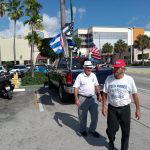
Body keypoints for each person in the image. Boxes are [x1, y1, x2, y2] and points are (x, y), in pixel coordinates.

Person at [102, 59, 141, 150]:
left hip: (125, 109)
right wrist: (104, 106)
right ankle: (111, 140)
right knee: (111, 130)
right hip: (112, 109)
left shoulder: (129, 79)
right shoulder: (109, 79)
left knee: (125, 132)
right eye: (114, 68)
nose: (115, 70)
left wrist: (138, 109)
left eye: (117, 68)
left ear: (123, 69)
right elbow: (104, 93)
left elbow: (135, 94)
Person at [73, 60, 102, 137]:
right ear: (84, 68)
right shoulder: (80, 76)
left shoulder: (93, 75)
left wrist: (99, 94)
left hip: (93, 98)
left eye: (91, 68)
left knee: (95, 116)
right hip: (82, 98)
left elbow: (96, 85)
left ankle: (92, 130)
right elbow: (76, 88)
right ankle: (83, 130)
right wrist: (76, 99)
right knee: (82, 116)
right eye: (88, 68)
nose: (90, 69)